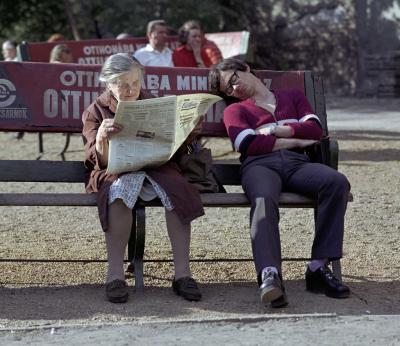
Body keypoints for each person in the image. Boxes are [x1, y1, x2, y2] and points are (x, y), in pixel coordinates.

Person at [209, 58, 351, 308]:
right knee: (263, 199)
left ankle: (318, 267)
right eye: (227, 90)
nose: (234, 89)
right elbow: (248, 145)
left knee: (336, 182)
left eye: (233, 79)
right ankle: (270, 275)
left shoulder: (292, 97)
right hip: (259, 166)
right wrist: (297, 138)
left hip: (298, 165)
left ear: (246, 69)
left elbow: (315, 131)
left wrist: (277, 131)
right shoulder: (235, 111)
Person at [82, 53, 203, 303]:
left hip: (157, 168)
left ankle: (183, 274)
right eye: (123, 84)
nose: (130, 89)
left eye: (135, 82)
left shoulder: (154, 103)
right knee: (118, 192)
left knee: (178, 190)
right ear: (108, 83)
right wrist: (102, 138)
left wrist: (187, 131)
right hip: (117, 169)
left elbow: (173, 149)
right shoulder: (96, 110)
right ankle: (115, 275)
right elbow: (99, 161)